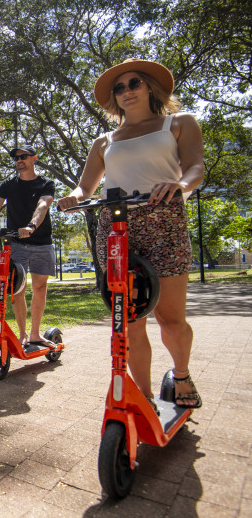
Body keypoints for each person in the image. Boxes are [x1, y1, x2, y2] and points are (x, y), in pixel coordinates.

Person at [57, 58, 204, 409]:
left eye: (133, 83)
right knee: (130, 320)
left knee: (170, 317)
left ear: (150, 86)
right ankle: (146, 397)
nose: (126, 91)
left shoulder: (178, 123)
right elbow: (85, 188)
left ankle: (181, 375)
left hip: (164, 221)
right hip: (117, 227)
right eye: (119, 88)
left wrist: (180, 184)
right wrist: (73, 199)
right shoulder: (104, 141)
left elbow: (196, 167)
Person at [0, 144, 56, 348]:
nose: (19, 160)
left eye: (23, 156)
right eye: (16, 158)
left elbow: (43, 206)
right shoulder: (8, 184)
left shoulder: (46, 183)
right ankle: (23, 335)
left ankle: (35, 334)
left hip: (41, 242)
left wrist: (31, 226)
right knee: (17, 289)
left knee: (40, 288)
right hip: (17, 244)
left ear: (34, 159)